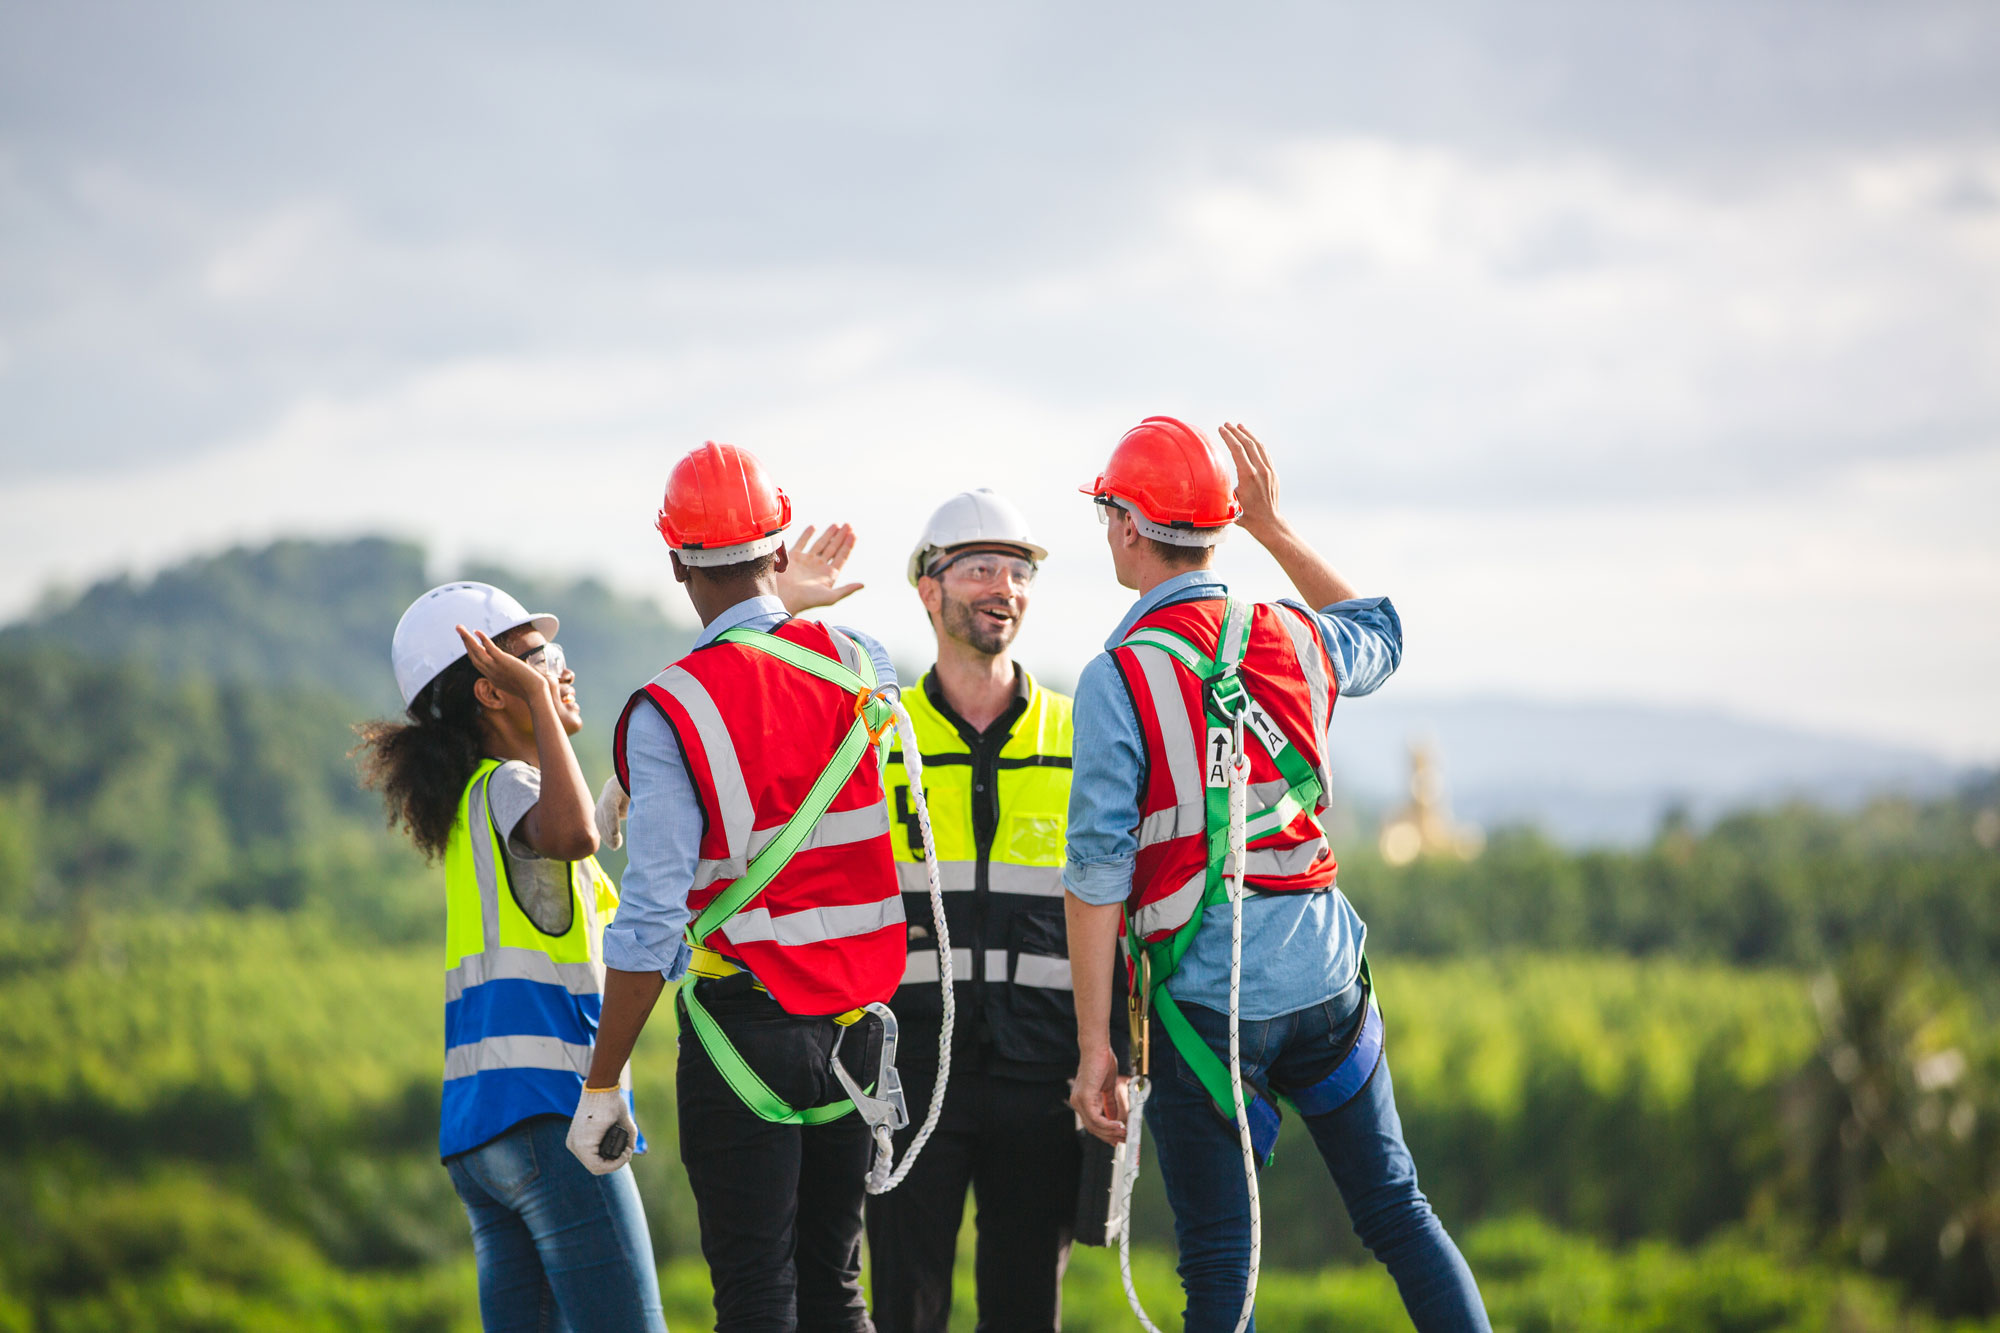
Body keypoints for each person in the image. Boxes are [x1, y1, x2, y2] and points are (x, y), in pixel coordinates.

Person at [1064, 419, 1490, 1333]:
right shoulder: (1291, 637)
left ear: (1133, 528)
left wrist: (1096, 1044)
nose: (1106, 531)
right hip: (1328, 981)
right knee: (1400, 1213)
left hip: (1207, 1008)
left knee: (1223, 1261)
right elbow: (1381, 630)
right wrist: (1272, 527)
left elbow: (1098, 874)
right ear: (1220, 526)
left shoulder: (1118, 679)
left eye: (1108, 513)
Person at [567, 441, 907, 1333]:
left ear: (675, 560)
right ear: (780, 546)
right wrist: (782, 603)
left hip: (741, 1030)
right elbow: (781, 675)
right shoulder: (862, 660)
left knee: (757, 1296)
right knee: (836, 1288)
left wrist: (604, 1081)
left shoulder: (668, 707)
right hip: (856, 1030)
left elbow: (648, 920)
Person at [357, 580, 666, 1333]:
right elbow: (571, 836)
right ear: (493, 691)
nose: (559, 672)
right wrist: (541, 703)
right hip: (549, 1111)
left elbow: (560, 850)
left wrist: (611, 791)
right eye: (538, 661)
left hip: (481, 1131)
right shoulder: (509, 786)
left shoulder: (481, 799)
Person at [864, 490, 1089, 1333]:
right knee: (903, 1312)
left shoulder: (1080, 733)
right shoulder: (880, 735)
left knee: (1028, 1312)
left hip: (1043, 1071)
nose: (1006, 586)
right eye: (983, 568)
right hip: (911, 1071)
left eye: (1019, 570)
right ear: (931, 588)